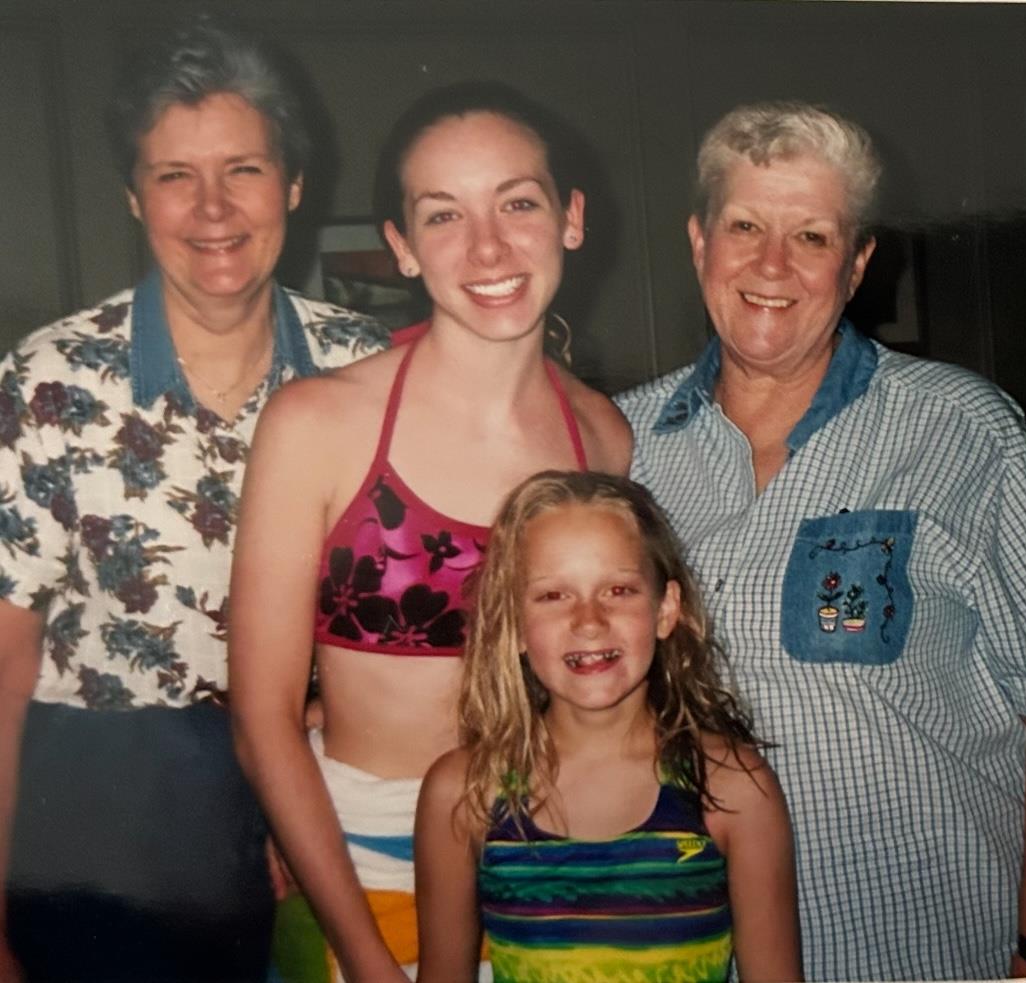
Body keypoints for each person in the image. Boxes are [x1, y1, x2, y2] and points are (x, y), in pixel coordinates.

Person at [615, 100, 1026, 981]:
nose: (772, 263)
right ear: (699, 242)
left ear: (857, 263)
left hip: (933, 948)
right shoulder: (620, 447)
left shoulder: (963, 430)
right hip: (693, 950)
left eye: (811, 236)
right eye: (744, 225)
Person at [0, 15, 390, 982]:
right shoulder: (49, 383)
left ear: (295, 184)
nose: (213, 208)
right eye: (175, 175)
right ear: (135, 197)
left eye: (244, 169)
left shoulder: (371, 370)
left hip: (324, 794)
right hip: (103, 818)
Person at [229, 82, 631, 982]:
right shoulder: (319, 423)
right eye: (443, 215)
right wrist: (365, 959)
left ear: (570, 217)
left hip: (553, 862)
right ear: (403, 248)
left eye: (518, 202)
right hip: (366, 873)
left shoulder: (602, 435)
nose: (488, 246)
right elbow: (262, 719)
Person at [414, 470, 800, 983]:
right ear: (513, 623)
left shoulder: (733, 788)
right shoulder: (465, 792)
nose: (590, 620)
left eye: (618, 590)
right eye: (553, 595)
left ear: (666, 610)